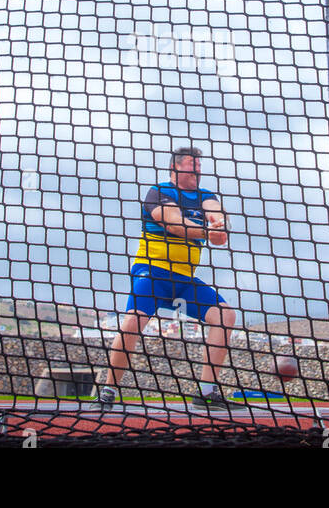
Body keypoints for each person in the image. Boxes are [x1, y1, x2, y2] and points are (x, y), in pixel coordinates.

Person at [97, 146, 236, 408]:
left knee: (225, 315)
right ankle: (108, 390)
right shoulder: (159, 192)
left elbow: (219, 230)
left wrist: (218, 225)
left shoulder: (206, 196)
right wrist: (209, 230)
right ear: (175, 168)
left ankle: (206, 394)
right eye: (191, 164)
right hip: (153, 271)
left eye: (199, 165)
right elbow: (174, 224)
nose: (197, 169)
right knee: (134, 321)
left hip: (184, 280)